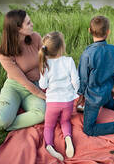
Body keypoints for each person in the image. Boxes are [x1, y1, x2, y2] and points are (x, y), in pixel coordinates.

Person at [0, 10, 46, 132]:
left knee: (43, 114)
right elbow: (23, 81)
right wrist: (42, 95)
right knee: (2, 120)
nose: (32, 24)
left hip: (34, 85)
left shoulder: (35, 37)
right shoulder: (4, 54)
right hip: (14, 88)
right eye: (28, 23)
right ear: (17, 29)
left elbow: (47, 60)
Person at [38, 31, 79, 161]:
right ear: (61, 48)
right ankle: (68, 138)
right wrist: (74, 92)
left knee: (49, 126)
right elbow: (75, 81)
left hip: (52, 103)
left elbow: (43, 85)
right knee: (65, 121)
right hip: (67, 102)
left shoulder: (45, 64)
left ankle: (50, 145)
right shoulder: (69, 61)